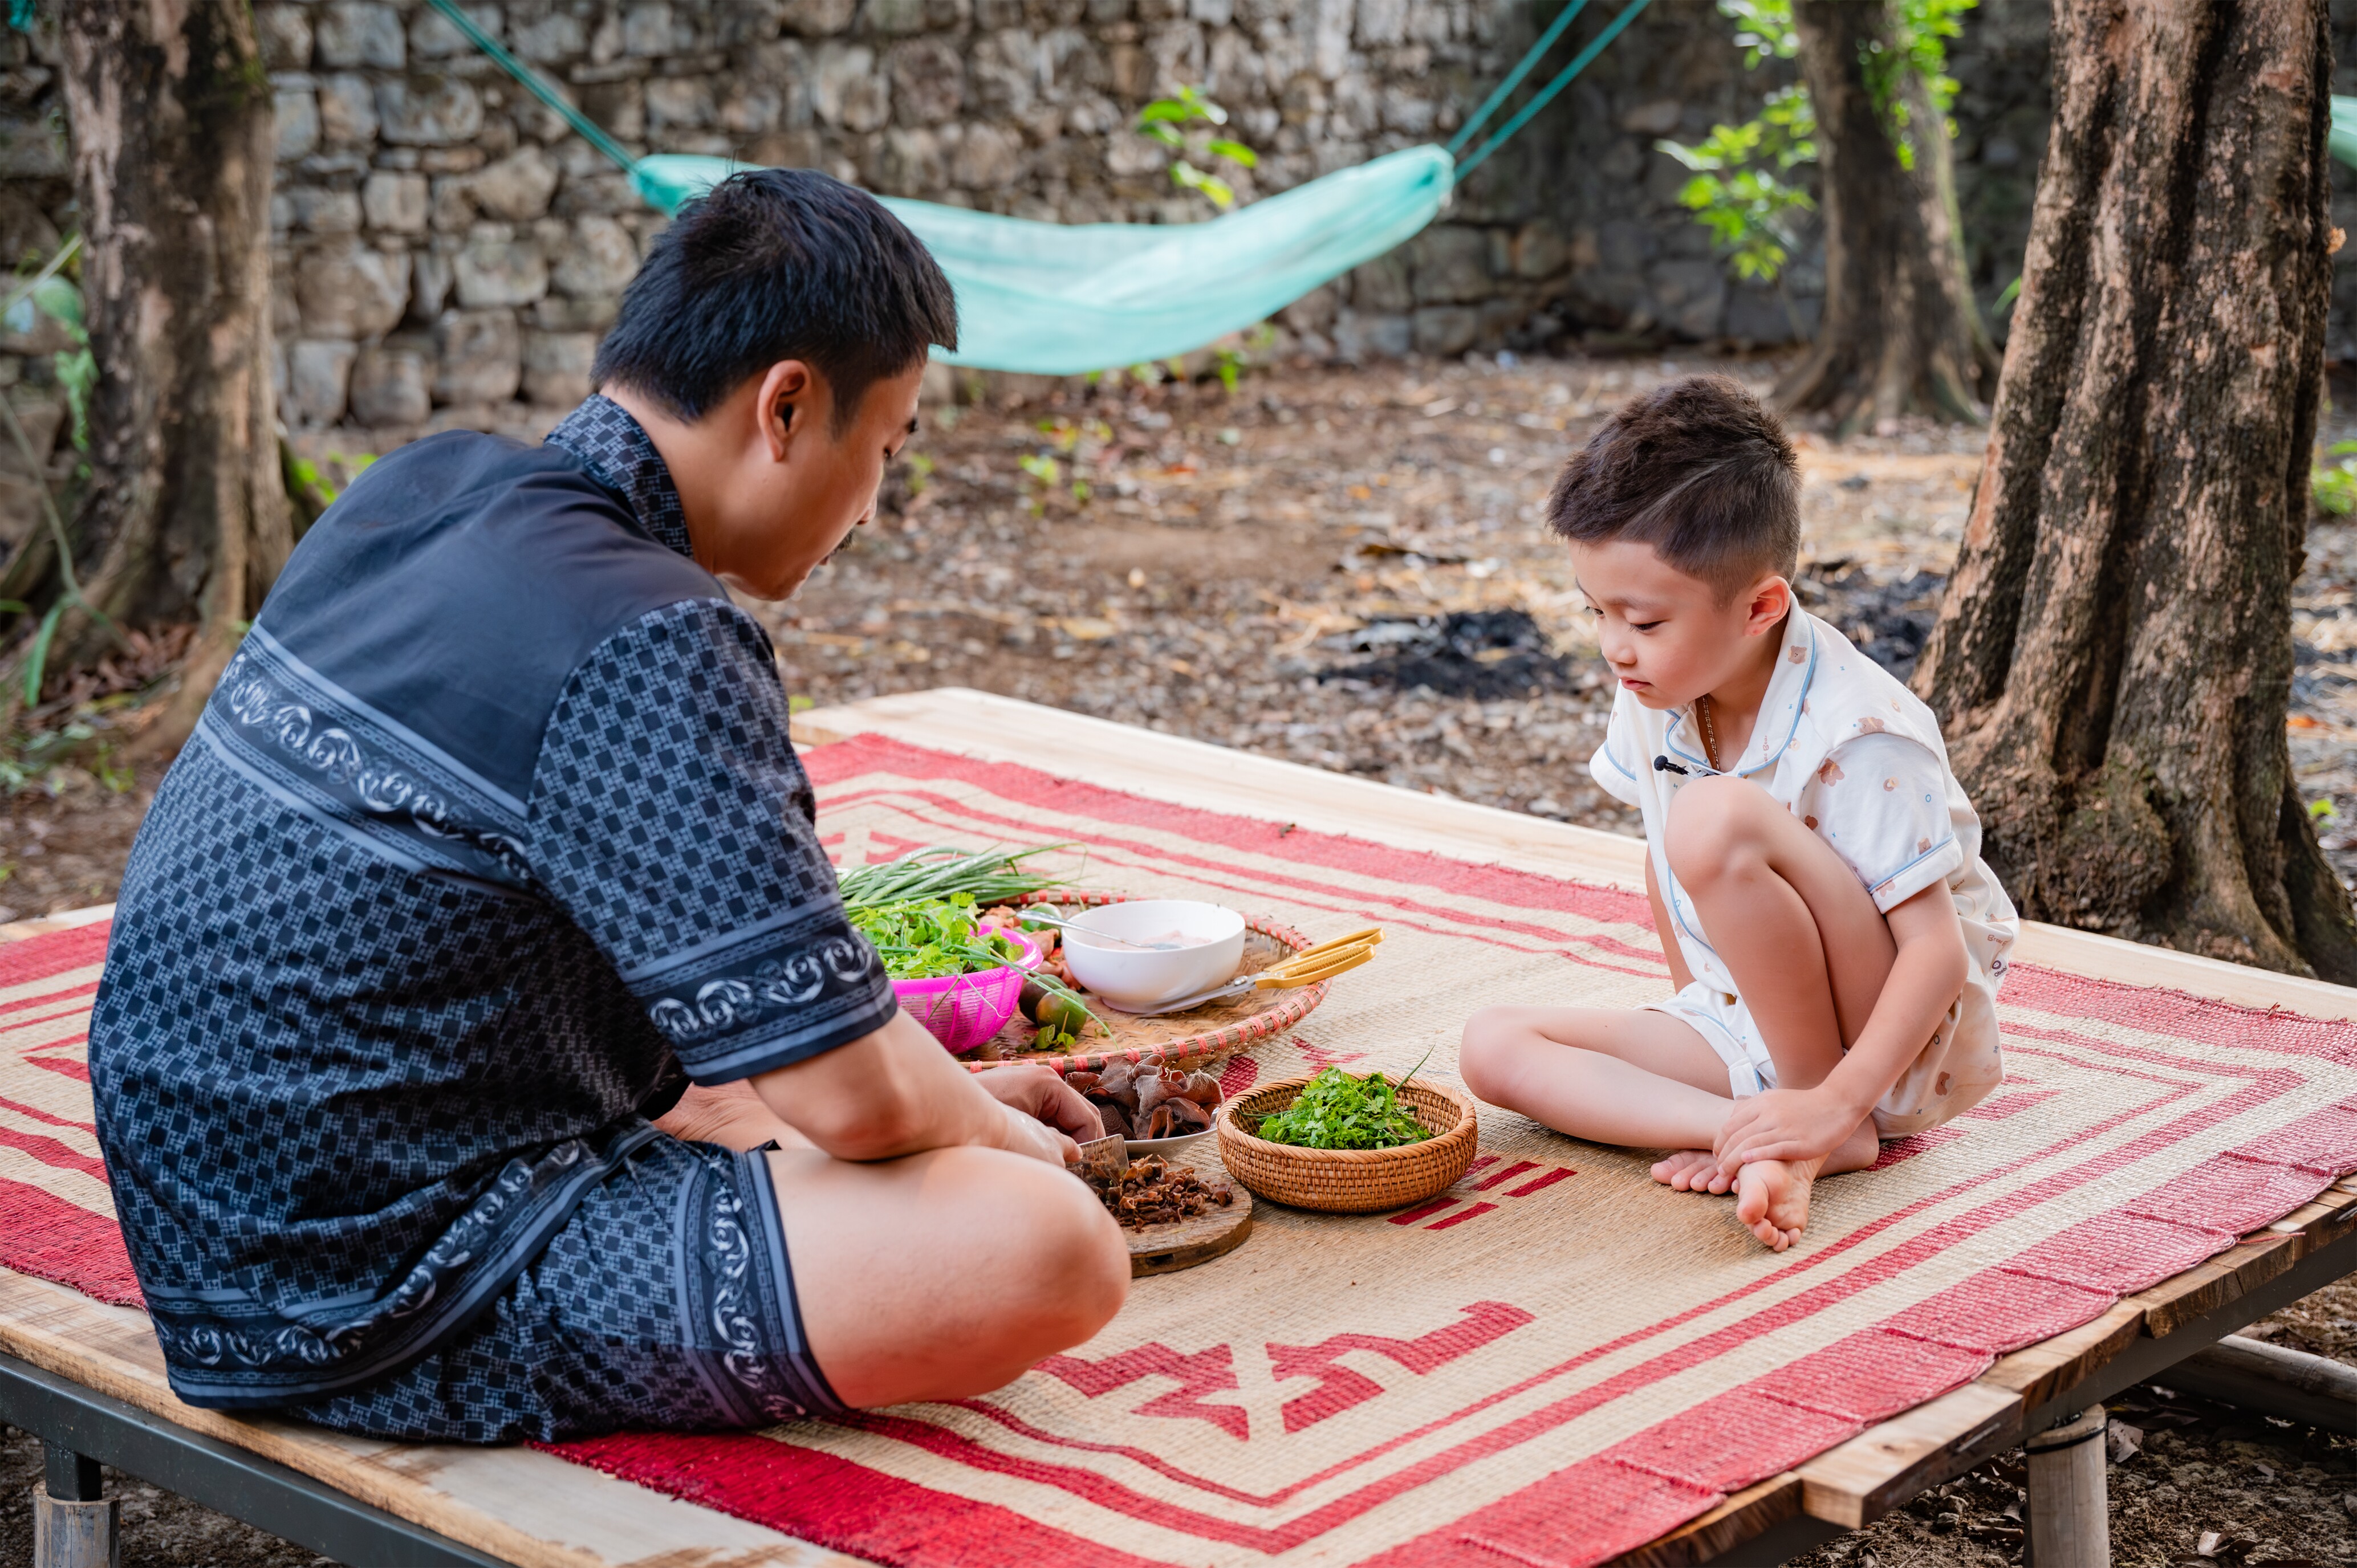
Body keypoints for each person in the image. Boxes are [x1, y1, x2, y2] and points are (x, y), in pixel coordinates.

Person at [86, 169, 1128, 1443]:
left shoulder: (419, 486)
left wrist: (945, 1102)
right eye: (888, 450)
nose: (871, 508)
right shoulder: (652, 632)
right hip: (377, 1281)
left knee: (853, 1112)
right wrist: (996, 1144)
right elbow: (854, 1097)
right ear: (787, 405)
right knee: (1046, 1245)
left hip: (201, 1223)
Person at [1458, 376, 2018, 1252]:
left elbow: (1936, 953)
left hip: (1888, 1046)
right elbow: (1659, 853)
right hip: (1750, 1010)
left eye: (1639, 619)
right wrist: (1696, 1008)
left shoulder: (1861, 733)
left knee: (1710, 819)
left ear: (1759, 606)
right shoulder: (1659, 680)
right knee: (1491, 1045)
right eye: (1596, 611)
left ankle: (1818, 1124)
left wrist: (1832, 1100)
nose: (1613, 645)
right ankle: (1748, 1130)